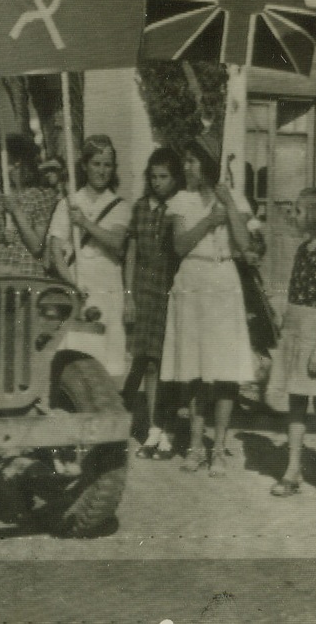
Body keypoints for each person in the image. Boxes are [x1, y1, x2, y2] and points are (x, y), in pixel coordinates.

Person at [159, 142, 253, 477]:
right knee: (195, 366)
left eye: (192, 161)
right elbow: (180, 245)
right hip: (193, 281)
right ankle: (196, 445)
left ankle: (219, 448)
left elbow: (245, 247)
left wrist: (227, 206)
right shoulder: (181, 200)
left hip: (224, 280)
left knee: (225, 369)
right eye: (185, 160)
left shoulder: (232, 197)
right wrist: (209, 221)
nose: (186, 167)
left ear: (208, 165)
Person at [268, 188, 316, 505]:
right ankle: (293, 469)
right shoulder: (303, 250)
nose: (294, 216)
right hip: (298, 330)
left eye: (299, 211)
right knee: (296, 403)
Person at [48, 135, 131, 377]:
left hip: (108, 288)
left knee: (109, 361)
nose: (102, 171)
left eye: (107, 165)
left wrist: (84, 223)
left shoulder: (119, 206)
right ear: (85, 166)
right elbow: (56, 251)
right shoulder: (69, 203)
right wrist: (72, 284)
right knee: (76, 359)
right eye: (96, 164)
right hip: (78, 288)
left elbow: (116, 243)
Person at [123, 147, 183, 460]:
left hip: (172, 292)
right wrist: (128, 296)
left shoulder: (179, 209)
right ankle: (151, 429)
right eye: (154, 176)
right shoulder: (140, 209)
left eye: (164, 177)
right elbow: (131, 254)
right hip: (144, 292)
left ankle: (168, 430)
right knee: (146, 361)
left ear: (175, 179)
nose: (158, 182)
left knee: (168, 364)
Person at [0, 134, 56, 277]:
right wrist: (1, 237)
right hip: (0, 270)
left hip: (25, 271)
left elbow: (36, 246)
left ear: (16, 162)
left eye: (1, 156)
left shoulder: (41, 196)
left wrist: (16, 211)